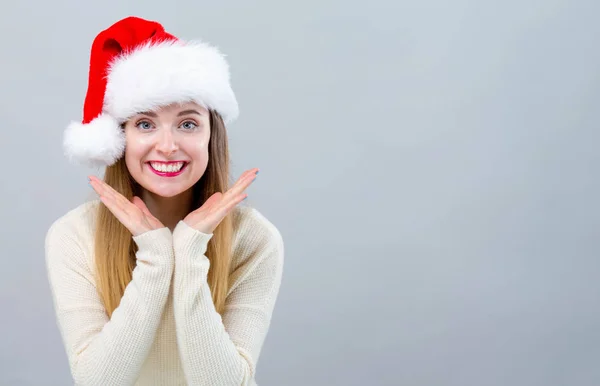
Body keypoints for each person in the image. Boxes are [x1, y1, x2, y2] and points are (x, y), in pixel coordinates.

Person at [44, 16, 284, 386]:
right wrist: (156, 256)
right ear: (120, 137)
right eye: (145, 124)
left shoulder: (254, 239)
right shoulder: (74, 235)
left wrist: (189, 251)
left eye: (187, 124)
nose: (168, 146)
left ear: (210, 136)